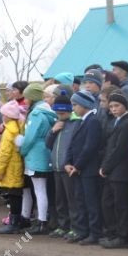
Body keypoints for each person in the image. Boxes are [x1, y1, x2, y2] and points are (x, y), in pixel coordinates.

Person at [99, 92, 128, 248]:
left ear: (125, 106)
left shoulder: (127, 124)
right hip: (112, 171)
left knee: (121, 205)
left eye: (117, 106)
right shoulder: (115, 122)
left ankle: (122, 236)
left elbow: (120, 150)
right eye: (111, 106)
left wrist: (105, 167)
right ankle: (113, 233)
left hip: (121, 171)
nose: (114, 109)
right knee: (107, 203)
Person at [65, 89, 103, 245]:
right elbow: (72, 144)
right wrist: (67, 162)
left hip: (88, 170)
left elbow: (90, 147)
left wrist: (78, 165)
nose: (73, 108)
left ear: (84, 105)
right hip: (78, 169)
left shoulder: (93, 121)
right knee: (80, 200)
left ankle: (95, 232)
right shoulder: (81, 121)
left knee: (91, 202)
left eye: (75, 104)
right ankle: (82, 230)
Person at [20, 82, 56, 235]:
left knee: (39, 190)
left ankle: (42, 221)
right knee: (41, 189)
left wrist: (22, 150)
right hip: (45, 153)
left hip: (35, 155)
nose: (25, 101)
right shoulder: (47, 111)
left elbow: (29, 137)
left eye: (27, 97)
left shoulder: (35, 114)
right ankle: (43, 219)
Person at [46, 85, 80, 239]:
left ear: (69, 110)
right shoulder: (57, 122)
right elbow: (48, 144)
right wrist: (53, 131)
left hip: (68, 168)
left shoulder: (76, 123)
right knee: (60, 199)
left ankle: (75, 227)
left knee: (72, 199)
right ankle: (62, 225)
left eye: (62, 112)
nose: (60, 115)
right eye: (57, 112)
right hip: (56, 167)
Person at [0, 101, 25, 234]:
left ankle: (14, 222)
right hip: (16, 166)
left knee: (13, 195)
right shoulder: (17, 127)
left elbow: (5, 153)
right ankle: (17, 220)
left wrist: (0, 170)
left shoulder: (9, 131)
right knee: (16, 195)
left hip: (10, 168)